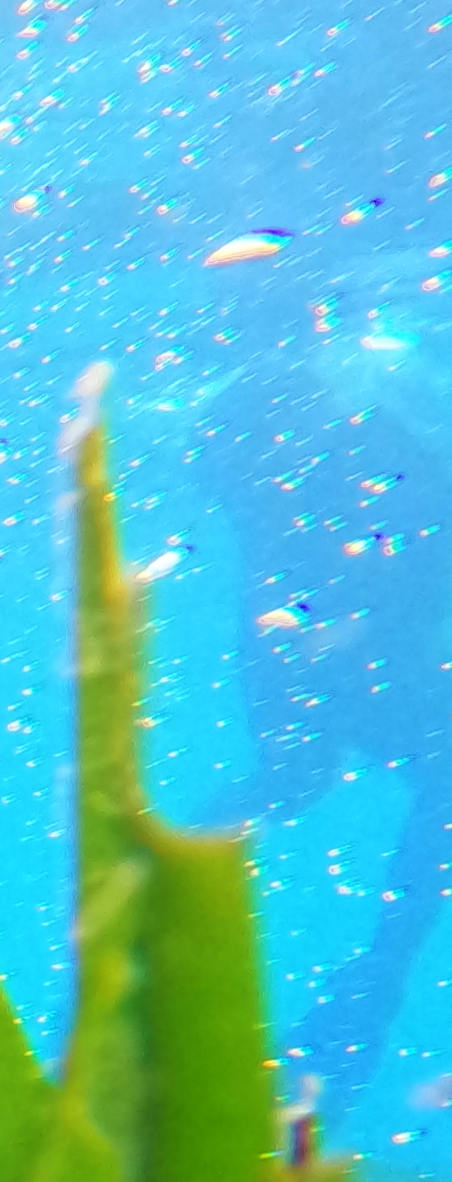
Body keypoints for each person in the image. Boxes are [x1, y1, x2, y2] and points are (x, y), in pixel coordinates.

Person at [198, 294, 452, 1110]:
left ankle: (364, 992)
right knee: (302, 776)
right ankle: (363, 991)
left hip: (357, 650)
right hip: (331, 650)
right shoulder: (272, 428)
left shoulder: (371, 430)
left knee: (305, 778)